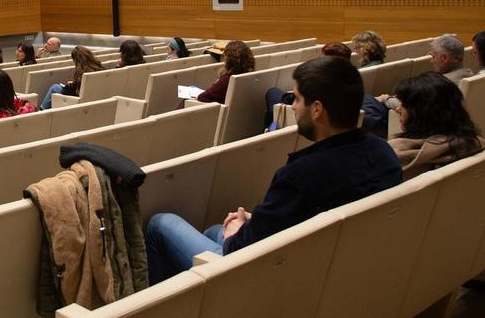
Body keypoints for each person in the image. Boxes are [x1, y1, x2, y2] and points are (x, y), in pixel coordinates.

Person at [146, 56, 402, 283]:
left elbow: (241, 249)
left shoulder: (302, 175)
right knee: (214, 229)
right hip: (341, 269)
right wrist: (253, 220)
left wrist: (237, 231)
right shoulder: (384, 153)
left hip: (273, 278)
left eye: (297, 99)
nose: (292, 107)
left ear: (317, 110)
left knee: (160, 223)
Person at [388, 72, 485, 179]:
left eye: (404, 105)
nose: (398, 109)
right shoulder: (476, 143)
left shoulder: (392, 155)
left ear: (421, 113)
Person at [40, 45, 104, 109]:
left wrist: (69, 86)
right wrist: (74, 83)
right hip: (94, 97)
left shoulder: (82, 72)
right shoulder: (99, 67)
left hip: (78, 99)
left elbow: (76, 91)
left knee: (54, 88)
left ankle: (41, 110)